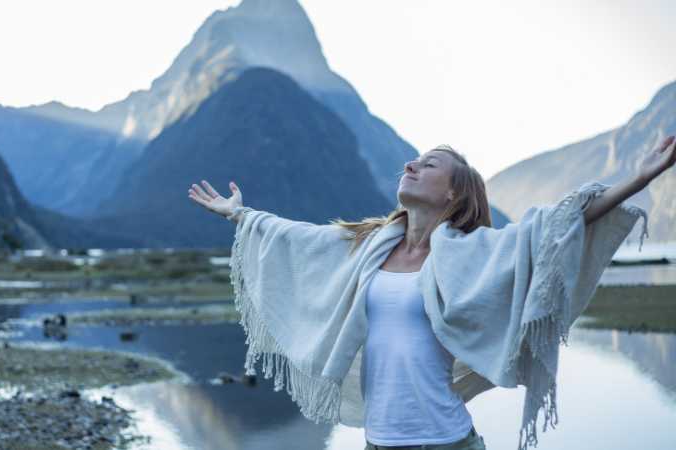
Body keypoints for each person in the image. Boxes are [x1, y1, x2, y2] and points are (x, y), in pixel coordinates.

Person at [187, 136, 675, 450]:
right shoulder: (365, 247)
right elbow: (297, 238)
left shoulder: (472, 254)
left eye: (429, 164)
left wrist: (641, 176)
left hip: (447, 442)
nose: (412, 164)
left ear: (454, 195)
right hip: (379, 444)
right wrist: (239, 215)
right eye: (415, 161)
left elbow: (552, 228)